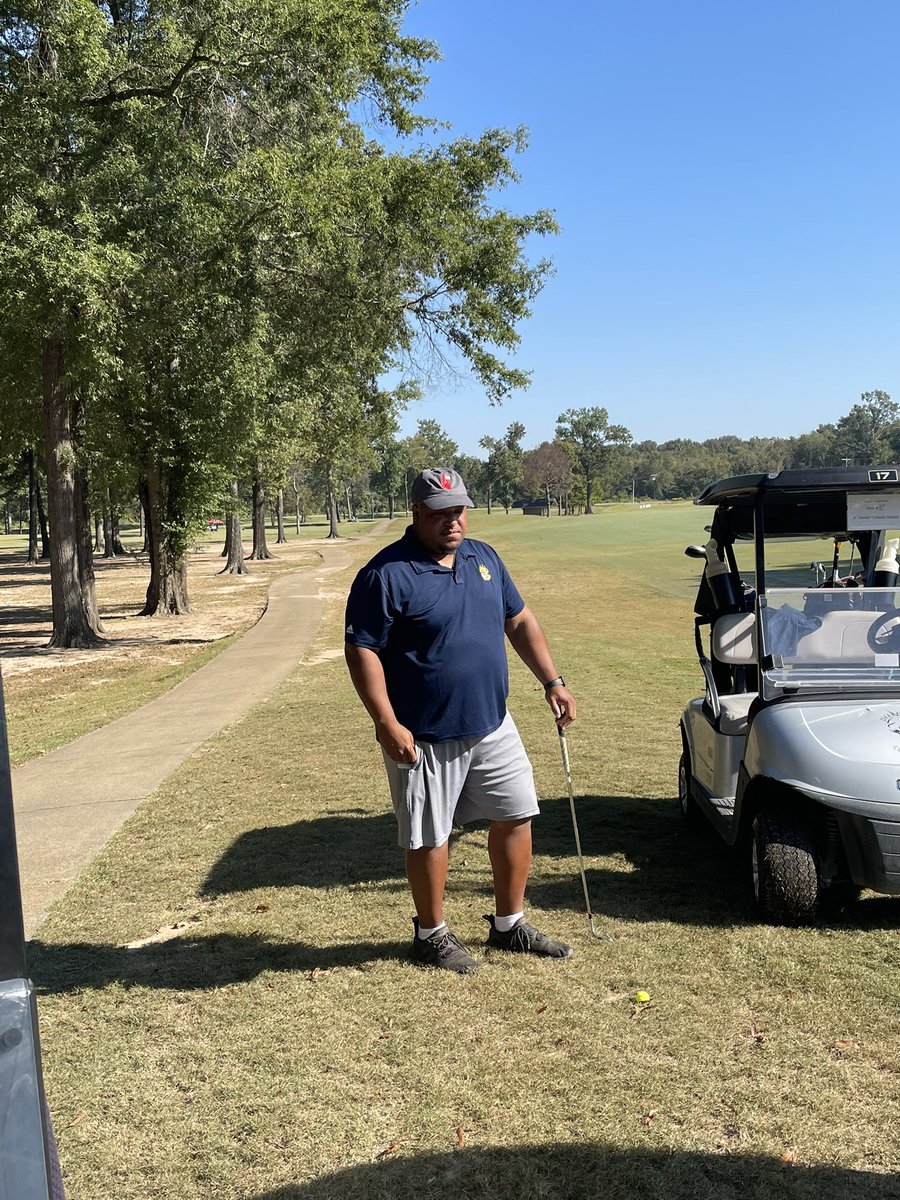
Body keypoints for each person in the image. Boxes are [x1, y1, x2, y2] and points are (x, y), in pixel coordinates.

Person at [344, 467, 577, 973]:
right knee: (429, 836)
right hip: (424, 732)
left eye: (459, 510)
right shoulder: (385, 574)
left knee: (516, 813)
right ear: (416, 512)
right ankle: (430, 935)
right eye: (441, 512)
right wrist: (385, 722)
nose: (453, 522)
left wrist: (552, 681)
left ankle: (508, 925)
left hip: (493, 722)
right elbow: (362, 648)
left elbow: (518, 620)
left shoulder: (484, 557)